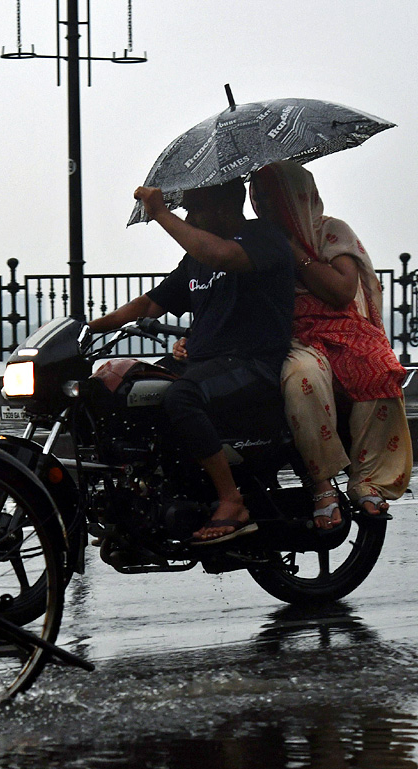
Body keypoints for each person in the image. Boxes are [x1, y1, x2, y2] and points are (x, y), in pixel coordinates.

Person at [89, 179, 295, 543]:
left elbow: (223, 256)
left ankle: (232, 499)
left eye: (194, 208)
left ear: (224, 205)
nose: (190, 217)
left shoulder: (264, 237)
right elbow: (151, 304)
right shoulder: (195, 260)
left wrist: (162, 213)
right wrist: (89, 328)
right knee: (127, 390)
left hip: (252, 362)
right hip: (204, 361)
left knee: (180, 397)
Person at [248, 161, 411, 526]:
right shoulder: (257, 238)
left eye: (272, 197)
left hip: (344, 329)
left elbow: (340, 292)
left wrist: (298, 255)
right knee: (303, 378)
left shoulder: (331, 232)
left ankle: (367, 479)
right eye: (258, 197)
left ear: (295, 195)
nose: (265, 205)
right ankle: (322, 484)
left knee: (380, 368)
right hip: (290, 335)